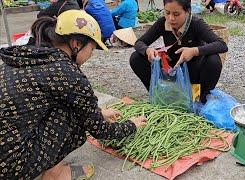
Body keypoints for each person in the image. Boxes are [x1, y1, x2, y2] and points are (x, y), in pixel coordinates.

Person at [0, 10, 147, 179]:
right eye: (92, 49)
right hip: (10, 166)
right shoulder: (68, 74)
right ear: (76, 43)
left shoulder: (27, 53)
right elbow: (101, 130)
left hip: (6, 150)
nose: (90, 55)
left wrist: (97, 112)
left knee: (69, 106)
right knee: (73, 115)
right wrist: (131, 125)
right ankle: (56, 175)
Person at [130, 0, 228, 104]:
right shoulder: (162, 23)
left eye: (176, 14)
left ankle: (202, 99)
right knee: (136, 58)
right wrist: (148, 50)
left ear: (188, 11)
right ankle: (158, 95)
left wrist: (194, 51)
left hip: (193, 70)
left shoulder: (196, 23)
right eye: (167, 13)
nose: (171, 18)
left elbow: (221, 44)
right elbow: (139, 42)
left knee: (213, 60)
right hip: (171, 68)